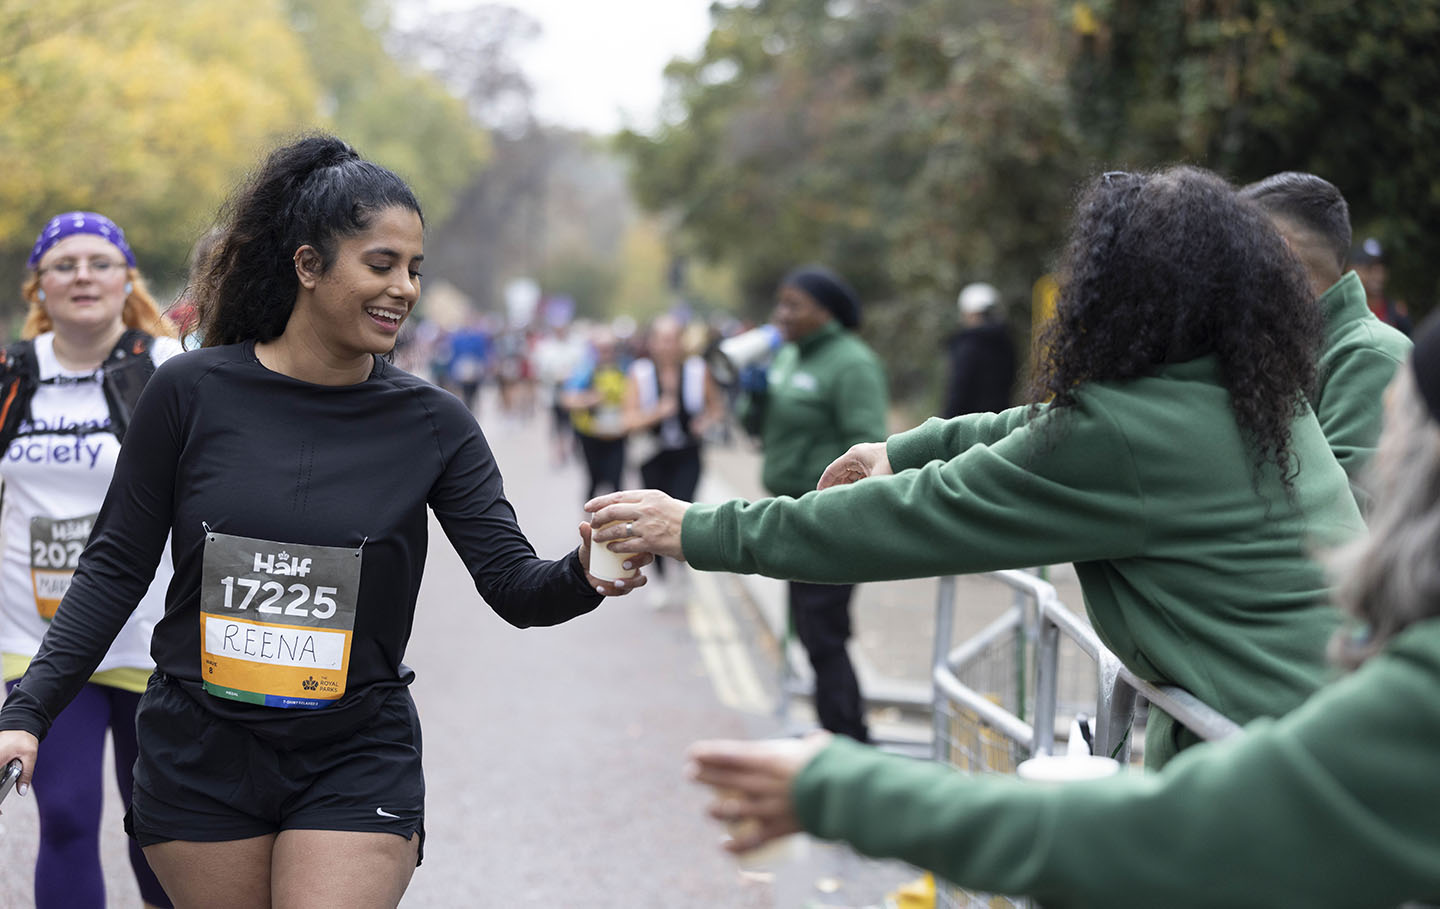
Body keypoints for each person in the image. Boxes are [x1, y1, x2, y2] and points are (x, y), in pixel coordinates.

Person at [0, 136, 648, 909]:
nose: (404, 288)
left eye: (414, 269)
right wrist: (28, 710)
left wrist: (583, 572)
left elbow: (514, 587)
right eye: (381, 264)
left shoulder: (433, 423)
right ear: (308, 265)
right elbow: (114, 568)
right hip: (201, 749)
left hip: (354, 750)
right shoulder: (187, 392)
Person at [589, 166, 1364, 768]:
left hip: (1284, 774)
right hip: (1326, 743)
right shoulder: (1245, 393)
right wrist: (904, 448)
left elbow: (915, 517)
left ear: (1122, 294)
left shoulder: (1128, 436)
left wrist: (697, 528)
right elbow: (1033, 427)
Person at [684, 312, 1440, 908]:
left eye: (1395, 424)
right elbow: (1032, 433)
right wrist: (911, 448)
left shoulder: (1417, 697)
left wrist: (837, 787)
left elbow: (1159, 835)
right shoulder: (1259, 399)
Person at [0, 212, 181, 909]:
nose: (82, 276)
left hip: (150, 636)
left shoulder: (167, 370)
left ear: (126, 278)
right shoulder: (13, 377)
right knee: (68, 817)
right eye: (63, 264)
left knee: (158, 831)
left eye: (99, 262)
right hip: (37, 644)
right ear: (37, 285)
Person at [731, 265, 888, 743]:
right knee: (811, 631)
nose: (781, 314)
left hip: (831, 521)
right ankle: (835, 733)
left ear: (825, 311)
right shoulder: (786, 356)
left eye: (792, 305)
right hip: (791, 515)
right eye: (779, 303)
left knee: (824, 634)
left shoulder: (851, 363)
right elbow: (757, 430)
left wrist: (842, 513)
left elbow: (869, 446)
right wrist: (753, 401)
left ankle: (850, 739)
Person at [1239, 173, 1411, 496]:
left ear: (1280, 253)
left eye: (1238, 252)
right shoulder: (1287, 348)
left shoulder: (1371, 354)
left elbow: (1345, 516)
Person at [622, 314, 725, 607]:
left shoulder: (697, 370)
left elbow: (716, 408)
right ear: (652, 343)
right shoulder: (639, 373)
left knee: (684, 509)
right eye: (662, 339)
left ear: (681, 342)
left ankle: (679, 568)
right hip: (652, 454)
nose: (668, 345)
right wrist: (657, 412)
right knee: (651, 516)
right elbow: (627, 420)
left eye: (673, 338)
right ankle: (662, 581)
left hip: (687, 453)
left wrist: (705, 422)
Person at [562, 326, 630, 501]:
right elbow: (567, 399)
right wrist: (590, 400)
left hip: (617, 434)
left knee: (616, 483)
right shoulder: (585, 370)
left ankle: (616, 524)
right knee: (593, 480)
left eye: (610, 348)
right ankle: (589, 523)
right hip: (590, 435)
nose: (606, 352)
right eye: (601, 348)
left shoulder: (624, 368)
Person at [940, 282, 1016, 418]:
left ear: (971, 313)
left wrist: (945, 422)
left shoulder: (968, 345)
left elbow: (959, 389)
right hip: (999, 420)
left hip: (968, 425)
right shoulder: (1006, 342)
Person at [1352, 237, 1413, 336]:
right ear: (1351, 269)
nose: (1377, 276)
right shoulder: (1342, 312)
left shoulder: (1397, 314)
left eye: (1381, 269)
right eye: (1369, 268)